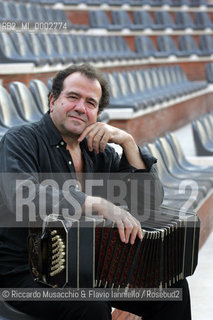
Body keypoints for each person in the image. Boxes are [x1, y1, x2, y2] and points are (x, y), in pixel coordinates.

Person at [0, 63, 191, 320]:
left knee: (171, 287)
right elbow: (23, 197)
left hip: (88, 268)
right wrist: (98, 204)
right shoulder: (20, 140)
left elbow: (148, 203)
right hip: (25, 275)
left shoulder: (99, 151)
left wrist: (128, 142)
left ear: (97, 113)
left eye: (91, 103)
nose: (81, 107)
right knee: (90, 302)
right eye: (73, 97)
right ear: (53, 100)